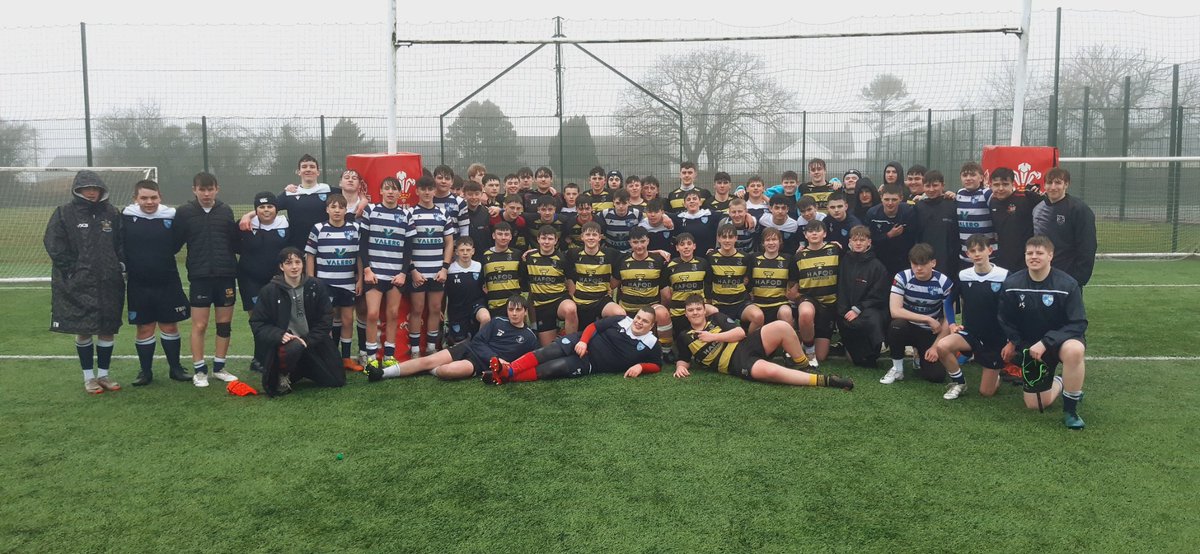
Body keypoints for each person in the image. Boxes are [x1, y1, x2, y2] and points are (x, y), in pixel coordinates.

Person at [45, 170, 126, 394]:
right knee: (84, 329)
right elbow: (54, 243)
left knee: (107, 328)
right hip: (80, 283)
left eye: (94, 188)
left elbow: (121, 243)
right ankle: (88, 377)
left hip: (109, 281)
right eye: (86, 189)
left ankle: (104, 375)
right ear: (77, 190)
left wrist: (121, 264)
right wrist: (72, 269)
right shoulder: (65, 213)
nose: (91, 192)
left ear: (101, 189)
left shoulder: (111, 212)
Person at [998, 236, 1089, 429]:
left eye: (1039, 253)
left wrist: (1046, 342)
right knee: (1035, 404)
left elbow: (1078, 323)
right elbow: (1005, 319)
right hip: (1031, 348)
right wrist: (1015, 342)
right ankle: (1060, 381)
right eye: (1029, 253)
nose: (1034, 257)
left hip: (1061, 342)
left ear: (1050, 255)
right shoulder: (1012, 283)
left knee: (1075, 351)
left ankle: (1071, 411)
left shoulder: (1067, 284)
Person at [672, 295, 853, 389]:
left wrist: (713, 337)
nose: (695, 312)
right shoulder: (684, 336)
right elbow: (684, 358)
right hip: (735, 363)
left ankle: (804, 365)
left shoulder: (716, 318)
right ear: (686, 314)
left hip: (744, 345)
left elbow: (740, 332)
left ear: (704, 311)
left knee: (782, 326)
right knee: (771, 371)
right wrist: (680, 367)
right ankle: (826, 381)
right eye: (691, 310)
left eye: (698, 309)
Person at [119, 180, 190, 385]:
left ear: (160, 197)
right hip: (138, 283)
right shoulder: (126, 216)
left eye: (153, 198)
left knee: (169, 326)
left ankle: (175, 369)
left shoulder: (171, 216)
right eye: (144, 198)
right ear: (135, 199)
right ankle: (145, 372)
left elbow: (176, 244)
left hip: (167, 279)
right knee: (144, 328)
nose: (149, 202)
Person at [249, 248, 346, 397]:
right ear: (282, 267)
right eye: (289, 263)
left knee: (337, 380)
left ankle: (301, 369)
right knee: (294, 347)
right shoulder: (269, 291)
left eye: (297, 262)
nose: (294, 267)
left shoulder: (316, 286)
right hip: (287, 345)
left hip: (311, 341)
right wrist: (279, 335)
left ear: (303, 264)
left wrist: (308, 340)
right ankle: (283, 373)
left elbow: (326, 318)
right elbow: (257, 323)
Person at [174, 172, 240, 387]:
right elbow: (174, 243)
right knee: (200, 325)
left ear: (217, 189)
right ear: (194, 190)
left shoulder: (225, 211)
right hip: (200, 277)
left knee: (224, 325)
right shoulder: (184, 213)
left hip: (226, 276)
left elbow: (234, 241)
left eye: (210, 189)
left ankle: (219, 367)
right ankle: (200, 370)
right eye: (202, 189)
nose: (206, 193)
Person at [375, 295, 537, 381]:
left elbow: (528, 360)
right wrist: (495, 358)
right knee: (427, 360)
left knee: (447, 371)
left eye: (518, 310)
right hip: (469, 348)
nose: (514, 314)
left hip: (479, 364)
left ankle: (428, 370)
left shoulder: (529, 337)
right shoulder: (497, 322)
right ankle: (382, 373)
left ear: (525, 311)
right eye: (511, 310)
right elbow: (478, 341)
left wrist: (501, 367)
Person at [487, 308, 663, 384]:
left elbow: (657, 366)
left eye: (644, 321)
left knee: (552, 368)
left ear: (651, 325)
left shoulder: (652, 343)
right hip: (580, 343)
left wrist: (641, 366)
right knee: (548, 351)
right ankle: (509, 371)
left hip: (591, 364)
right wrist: (583, 341)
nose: (638, 322)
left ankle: (504, 376)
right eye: (638, 317)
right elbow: (594, 326)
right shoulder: (622, 320)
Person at [937, 234, 1009, 400]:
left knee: (986, 392)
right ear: (967, 254)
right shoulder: (963, 275)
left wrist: (1010, 338)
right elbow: (948, 302)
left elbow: (1012, 308)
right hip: (970, 334)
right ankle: (959, 383)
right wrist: (953, 324)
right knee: (942, 346)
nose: (977, 254)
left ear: (989, 251)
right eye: (972, 250)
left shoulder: (1004, 276)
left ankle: (995, 375)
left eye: (980, 249)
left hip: (995, 338)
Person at [881, 243, 954, 385]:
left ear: (933, 263)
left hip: (929, 333)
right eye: (915, 264)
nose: (919, 268)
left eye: (923, 263)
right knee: (897, 325)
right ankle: (897, 369)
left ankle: (919, 356)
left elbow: (948, 319)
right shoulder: (902, 277)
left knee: (937, 376)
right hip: (908, 327)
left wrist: (935, 346)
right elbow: (895, 311)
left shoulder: (944, 283)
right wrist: (927, 319)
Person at [305, 194, 363, 371]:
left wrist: (360, 278)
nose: (337, 210)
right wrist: (311, 280)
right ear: (327, 209)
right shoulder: (318, 228)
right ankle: (329, 356)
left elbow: (360, 256)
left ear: (346, 210)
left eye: (340, 207)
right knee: (328, 321)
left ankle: (346, 358)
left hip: (347, 283)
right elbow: (310, 255)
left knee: (347, 320)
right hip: (325, 284)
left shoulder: (355, 228)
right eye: (333, 207)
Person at [238, 192, 291, 372]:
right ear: (255, 209)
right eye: (261, 207)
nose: (266, 210)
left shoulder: (286, 224)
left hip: (277, 281)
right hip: (250, 280)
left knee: (276, 319)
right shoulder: (245, 225)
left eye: (270, 206)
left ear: (276, 208)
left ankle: (273, 356)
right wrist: (248, 216)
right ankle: (258, 358)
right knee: (257, 320)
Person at [360, 176, 409, 365]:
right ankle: (371, 357)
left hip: (396, 274)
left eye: (394, 189)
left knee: (393, 314)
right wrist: (367, 269)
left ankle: (389, 355)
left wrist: (403, 272)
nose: (390, 192)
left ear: (399, 193)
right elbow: (362, 242)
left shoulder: (406, 215)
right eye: (387, 189)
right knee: (372, 314)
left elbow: (408, 246)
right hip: (374, 274)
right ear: (380, 191)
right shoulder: (371, 210)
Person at [406, 176, 456, 357]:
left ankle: (431, 348)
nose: (427, 192)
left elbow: (449, 243)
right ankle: (414, 350)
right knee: (417, 309)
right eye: (423, 189)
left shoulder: (443, 214)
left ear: (434, 191)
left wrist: (444, 268)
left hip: (437, 272)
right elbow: (407, 244)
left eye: (430, 189)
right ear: (417, 191)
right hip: (418, 272)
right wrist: (412, 270)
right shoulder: (410, 213)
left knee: (435, 309)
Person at [238, 154, 330, 251]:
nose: (308, 169)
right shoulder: (289, 194)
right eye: (304, 167)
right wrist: (248, 216)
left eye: (312, 167)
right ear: (298, 172)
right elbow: (269, 208)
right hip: (298, 246)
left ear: (318, 172)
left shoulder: (329, 190)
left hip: (324, 243)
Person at [1032, 167, 1097, 286]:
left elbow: (1087, 246)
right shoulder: (1037, 208)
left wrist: (1079, 278)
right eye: (1049, 183)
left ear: (1066, 184)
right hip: (1040, 273)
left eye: (1058, 183)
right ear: (1044, 185)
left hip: (1068, 275)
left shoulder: (1079, 209)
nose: (1053, 187)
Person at [836, 226, 890, 368]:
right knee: (857, 360)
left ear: (869, 242)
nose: (858, 243)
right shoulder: (844, 261)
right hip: (847, 312)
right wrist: (844, 311)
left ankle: (878, 347)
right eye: (855, 240)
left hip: (868, 310)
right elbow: (841, 289)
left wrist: (858, 309)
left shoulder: (877, 266)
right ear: (850, 242)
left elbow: (879, 295)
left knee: (873, 318)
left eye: (862, 240)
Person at [790, 220, 841, 367]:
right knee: (805, 313)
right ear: (805, 235)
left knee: (822, 356)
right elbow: (793, 284)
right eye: (810, 231)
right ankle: (809, 351)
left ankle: (807, 343)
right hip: (809, 299)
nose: (814, 233)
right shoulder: (799, 257)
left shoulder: (835, 250)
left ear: (824, 233)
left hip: (829, 304)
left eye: (817, 230)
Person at [524, 225, 578, 346]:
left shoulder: (562, 258)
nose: (546, 242)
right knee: (549, 349)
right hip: (542, 307)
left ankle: (570, 345)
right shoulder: (528, 258)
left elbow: (570, 280)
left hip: (559, 300)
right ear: (538, 239)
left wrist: (571, 299)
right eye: (543, 238)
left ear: (556, 240)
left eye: (550, 238)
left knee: (570, 309)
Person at [564, 222, 626, 327]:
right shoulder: (573, 254)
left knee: (620, 314)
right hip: (580, 301)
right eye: (588, 235)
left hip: (601, 300)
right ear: (582, 237)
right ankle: (571, 341)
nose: (591, 238)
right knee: (579, 331)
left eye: (594, 235)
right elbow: (567, 273)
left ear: (600, 237)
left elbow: (635, 255)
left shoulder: (610, 254)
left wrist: (658, 252)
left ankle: (604, 335)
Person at [708, 224, 765, 332]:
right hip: (719, 304)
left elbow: (748, 280)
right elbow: (707, 282)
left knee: (758, 316)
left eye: (730, 237)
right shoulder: (710, 257)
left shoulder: (745, 257)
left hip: (740, 303)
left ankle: (749, 345)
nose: (727, 240)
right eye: (724, 237)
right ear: (718, 238)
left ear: (736, 238)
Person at [988, 167, 1040, 273]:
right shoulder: (992, 202)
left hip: (1025, 259)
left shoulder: (1026, 198)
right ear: (991, 185)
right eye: (996, 185)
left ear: (1013, 184)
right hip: (1002, 259)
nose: (1001, 188)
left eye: (1005, 184)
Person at [914, 170, 959, 282]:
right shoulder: (918, 207)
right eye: (927, 186)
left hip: (948, 259)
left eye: (935, 185)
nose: (931, 189)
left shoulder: (952, 204)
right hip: (925, 259)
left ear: (943, 185)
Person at [443, 237, 489, 346]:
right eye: (462, 250)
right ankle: (449, 336)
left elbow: (484, 287)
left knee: (486, 318)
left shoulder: (479, 266)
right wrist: (441, 309)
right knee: (460, 346)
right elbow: (444, 293)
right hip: (457, 310)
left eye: (468, 250)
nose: (465, 253)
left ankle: (479, 345)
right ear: (456, 252)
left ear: (473, 251)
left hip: (476, 305)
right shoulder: (449, 269)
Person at [867, 184, 918, 277]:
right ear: (881, 198)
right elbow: (869, 240)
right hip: (880, 259)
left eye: (894, 199)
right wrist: (888, 235)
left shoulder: (908, 212)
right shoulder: (872, 214)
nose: (890, 203)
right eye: (886, 199)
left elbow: (914, 237)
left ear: (901, 198)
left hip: (903, 260)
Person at [748, 228, 795, 326]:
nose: (771, 243)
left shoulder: (788, 259)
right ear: (763, 243)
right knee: (756, 318)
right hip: (757, 304)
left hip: (779, 303)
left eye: (774, 239)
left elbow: (793, 282)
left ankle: (790, 339)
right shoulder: (753, 258)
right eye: (768, 240)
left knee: (786, 313)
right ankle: (750, 340)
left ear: (780, 242)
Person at [954, 162, 993, 269]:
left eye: (972, 175)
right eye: (965, 175)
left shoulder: (987, 193)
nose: (968, 178)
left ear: (981, 178)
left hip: (987, 255)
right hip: (965, 255)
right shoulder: (959, 193)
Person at [481, 222, 524, 317]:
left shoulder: (517, 254)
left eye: (506, 234)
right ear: (493, 235)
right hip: (494, 305)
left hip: (514, 305)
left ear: (511, 237)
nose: (503, 237)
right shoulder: (484, 255)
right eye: (500, 234)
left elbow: (523, 277)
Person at [671, 190, 721, 257]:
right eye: (688, 199)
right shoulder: (678, 217)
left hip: (707, 258)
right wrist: (665, 217)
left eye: (694, 199)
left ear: (700, 202)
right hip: (686, 259)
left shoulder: (710, 215)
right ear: (685, 204)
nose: (692, 201)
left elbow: (728, 214)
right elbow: (661, 214)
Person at [599, 189, 644, 254]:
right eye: (618, 203)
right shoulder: (604, 214)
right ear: (613, 202)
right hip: (610, 252)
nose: (621, 206)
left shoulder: (637, 214)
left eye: (624, 203)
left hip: (630, 252)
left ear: (629, 202)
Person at [432, 165, 469, 237]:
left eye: (447, 178)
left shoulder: (459, 202)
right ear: (434, 179)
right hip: (434, 247)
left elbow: (464, 230)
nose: (443, 181)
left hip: (454, 246)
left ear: (452, 181)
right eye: (440, 178)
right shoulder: (428, 200)